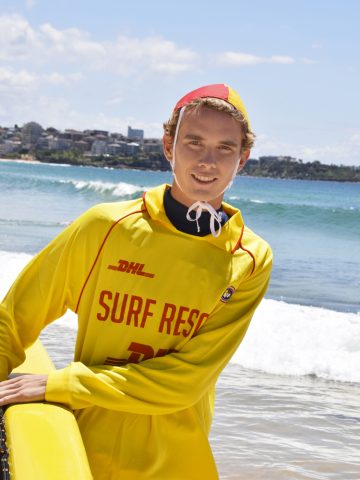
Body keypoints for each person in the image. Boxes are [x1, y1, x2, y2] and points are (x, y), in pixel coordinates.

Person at [0, 84, 272, 479]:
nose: (207, 161)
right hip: (85, 454)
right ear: (168, 145)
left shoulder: (248, 259)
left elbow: (185, 382)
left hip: (179, 463)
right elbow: (14, 319)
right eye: (193, 142)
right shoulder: (106, 227)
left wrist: (57, 384)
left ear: (243, 158)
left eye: (225, 148)